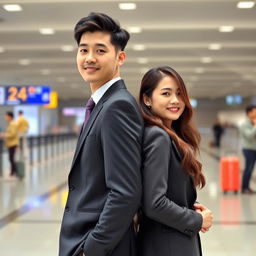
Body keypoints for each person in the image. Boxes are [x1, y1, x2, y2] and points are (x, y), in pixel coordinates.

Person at [59, 12, 143, 256]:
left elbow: (125, 191)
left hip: (100, 246)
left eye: (100, 50)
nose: (89, 58)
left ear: (120, 57)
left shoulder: (117, 106)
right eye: (83, 50)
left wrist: (92, 249)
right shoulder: (102, 104)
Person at [137, 66, 213, 256]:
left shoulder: (169, 136)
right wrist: (196, 220)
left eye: (179, 94)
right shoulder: (158, 136)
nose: (175, 101)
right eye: (166, 93)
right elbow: (154, 203)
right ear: (147, 99)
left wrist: (190, 208)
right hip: (167, 243)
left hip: (167, 240)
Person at [239, 104, 256, 194]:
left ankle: (248, 187)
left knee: (251, 168)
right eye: (254, 111)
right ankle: (244, 188)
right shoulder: (244, 124)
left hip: (254, 148)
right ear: (249, 113)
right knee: (248, 168)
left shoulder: (252, 122)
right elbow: (249, 135)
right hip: (248, 149)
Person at [0, 112, 19, 178]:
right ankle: (13, 172)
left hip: (13, 143)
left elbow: (12, 134)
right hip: (10, 143)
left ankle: (14, 172)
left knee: (11, 158)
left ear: (10, 117)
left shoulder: (13, 124)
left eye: (6, 116)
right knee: (11, 158)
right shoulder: (10, 124)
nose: (5, 118)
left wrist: (4, 135)